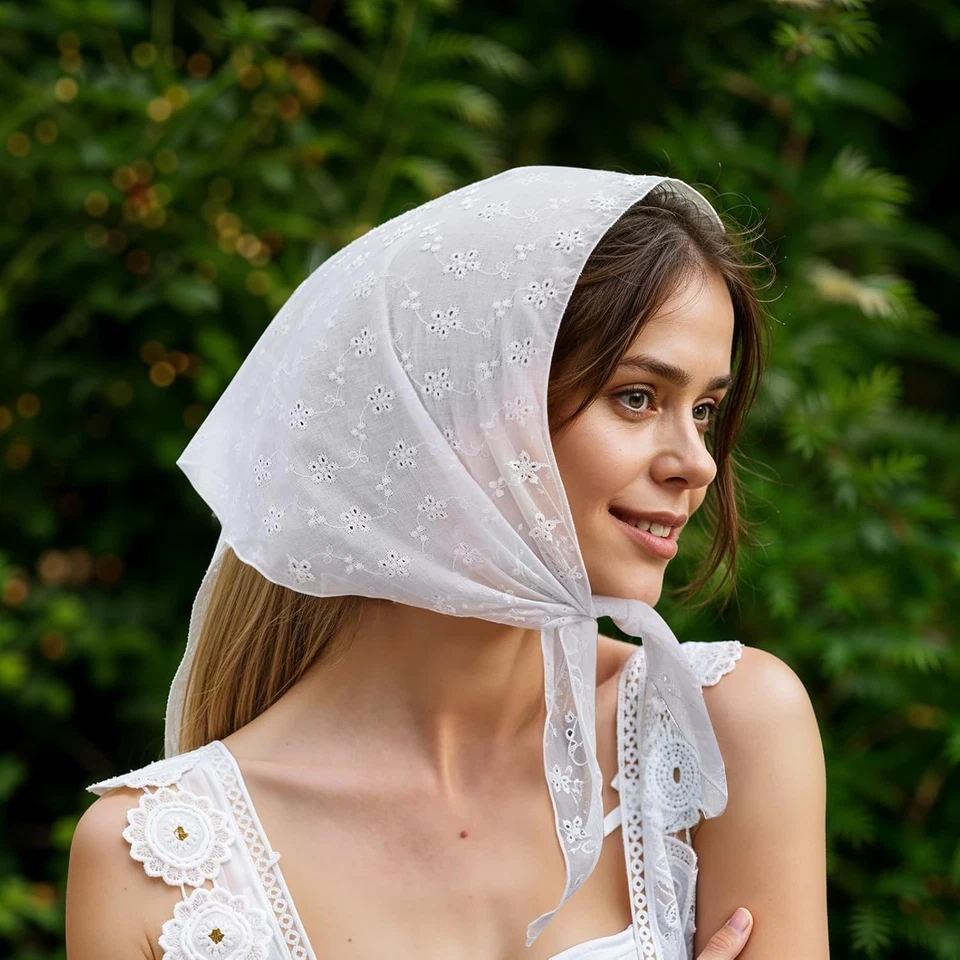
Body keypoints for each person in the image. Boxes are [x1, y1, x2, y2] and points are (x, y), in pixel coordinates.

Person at [65, 166, 828, 959]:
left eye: (704, 409)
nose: (697, 463)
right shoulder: (153, 865)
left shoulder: (724, 732)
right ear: (460, 414)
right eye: (637, 397)